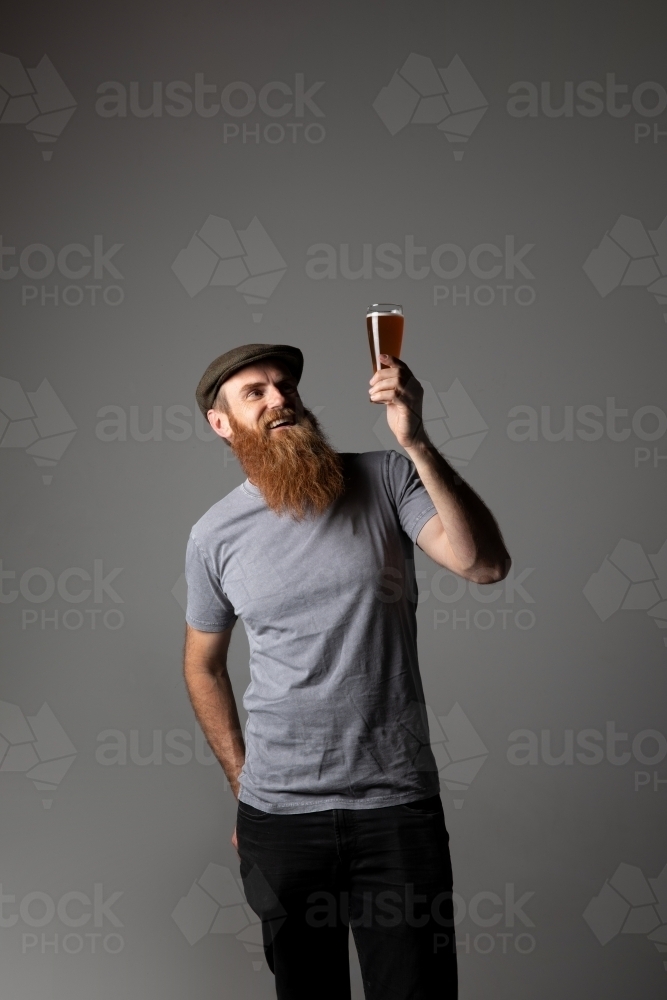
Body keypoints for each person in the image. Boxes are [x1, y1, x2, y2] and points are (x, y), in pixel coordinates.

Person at [183, 342, 510, 1000]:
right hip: (279, 824)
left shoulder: (386, 480)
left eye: (285, 387)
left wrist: (416, 440)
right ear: (221, 424)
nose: (279, 399)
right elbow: (201, 666)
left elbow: (483, 565)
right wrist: (244, 784)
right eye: (255, 393)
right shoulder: (213, 536)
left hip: (393, 810)